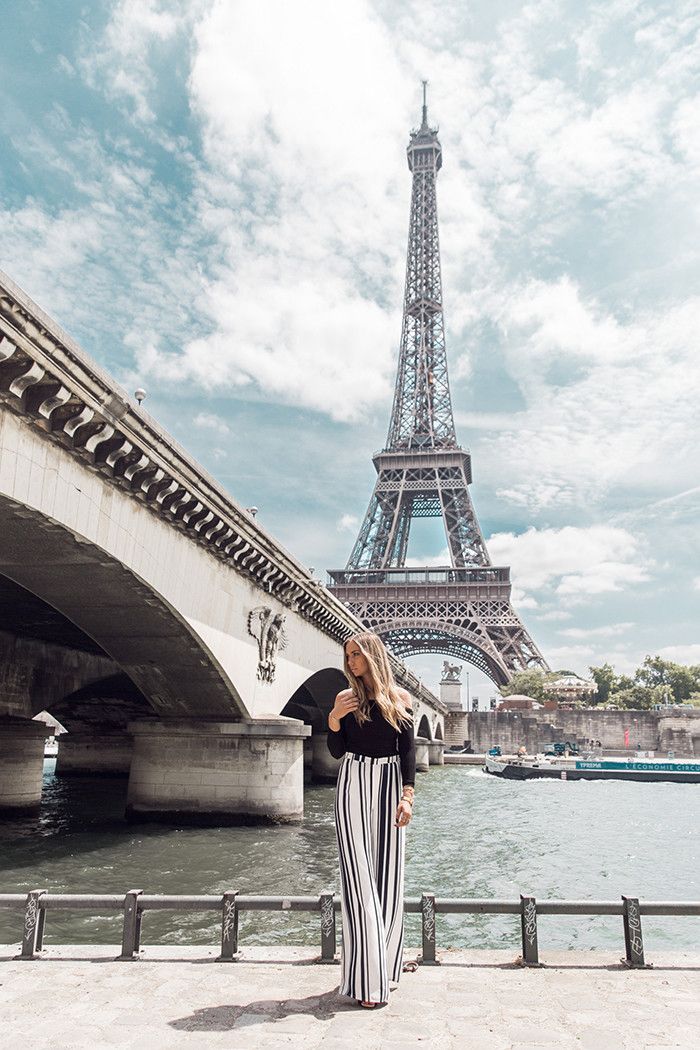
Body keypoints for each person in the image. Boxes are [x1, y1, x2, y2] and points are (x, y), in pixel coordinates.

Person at [327, 631, 416, 1008]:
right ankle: (367, 980)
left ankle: (384, 967)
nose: (350, 662)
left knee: (387, 880)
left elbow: (408, 750)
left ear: (371, 655)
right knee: (358, 880)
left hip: (389, 784)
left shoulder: (400, 699)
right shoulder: (345, 699)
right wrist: (333, 717)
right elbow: (336, 750)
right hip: (353, 783)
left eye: (355, 655)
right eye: (347, 656)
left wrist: (408, 796)